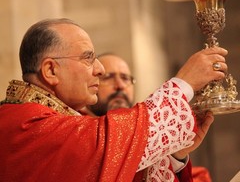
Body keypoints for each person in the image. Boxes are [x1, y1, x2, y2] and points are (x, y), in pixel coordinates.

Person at [0, 18, 228, 182]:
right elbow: (109, 140)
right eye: (88, 59)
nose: (99, 69)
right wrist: (183, 83)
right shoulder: (24, 124)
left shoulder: (44, 115)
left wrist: (176, 155)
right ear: (51, 70)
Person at [88, 53, 213, 181]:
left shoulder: (145, 133)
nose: (120, 85)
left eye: (125, 78)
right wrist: (184, 83)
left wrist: (176, 155)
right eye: (108, 77)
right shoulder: (84, 132)